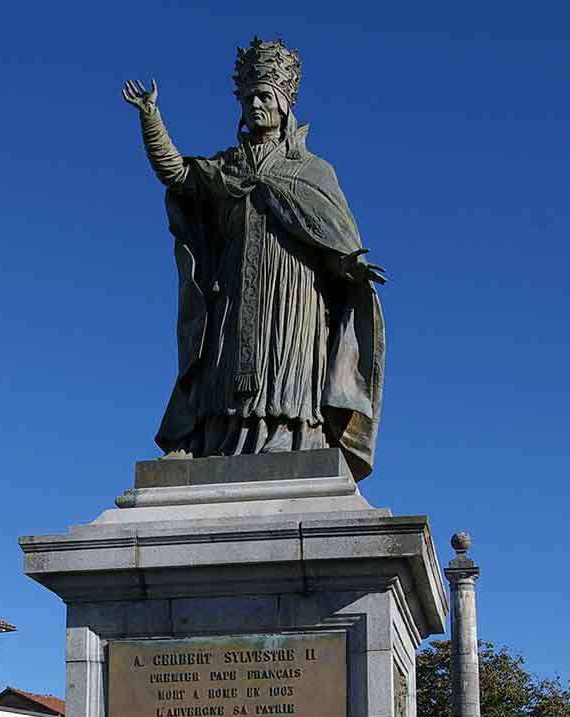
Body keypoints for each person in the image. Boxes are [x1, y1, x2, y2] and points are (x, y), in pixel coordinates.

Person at [123, 37, 386, 482]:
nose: (256, 105)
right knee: (224, 365)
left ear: (284, 103)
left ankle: (294, 437)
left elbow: (335, 235)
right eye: (248, 98)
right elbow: (179, 174)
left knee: (286, 365)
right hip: (234, 286)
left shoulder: (313, 171)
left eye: (264, 96)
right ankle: (219, 438)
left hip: (294, 291)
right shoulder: (228, 165)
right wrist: (151, 118)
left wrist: (349, 265)